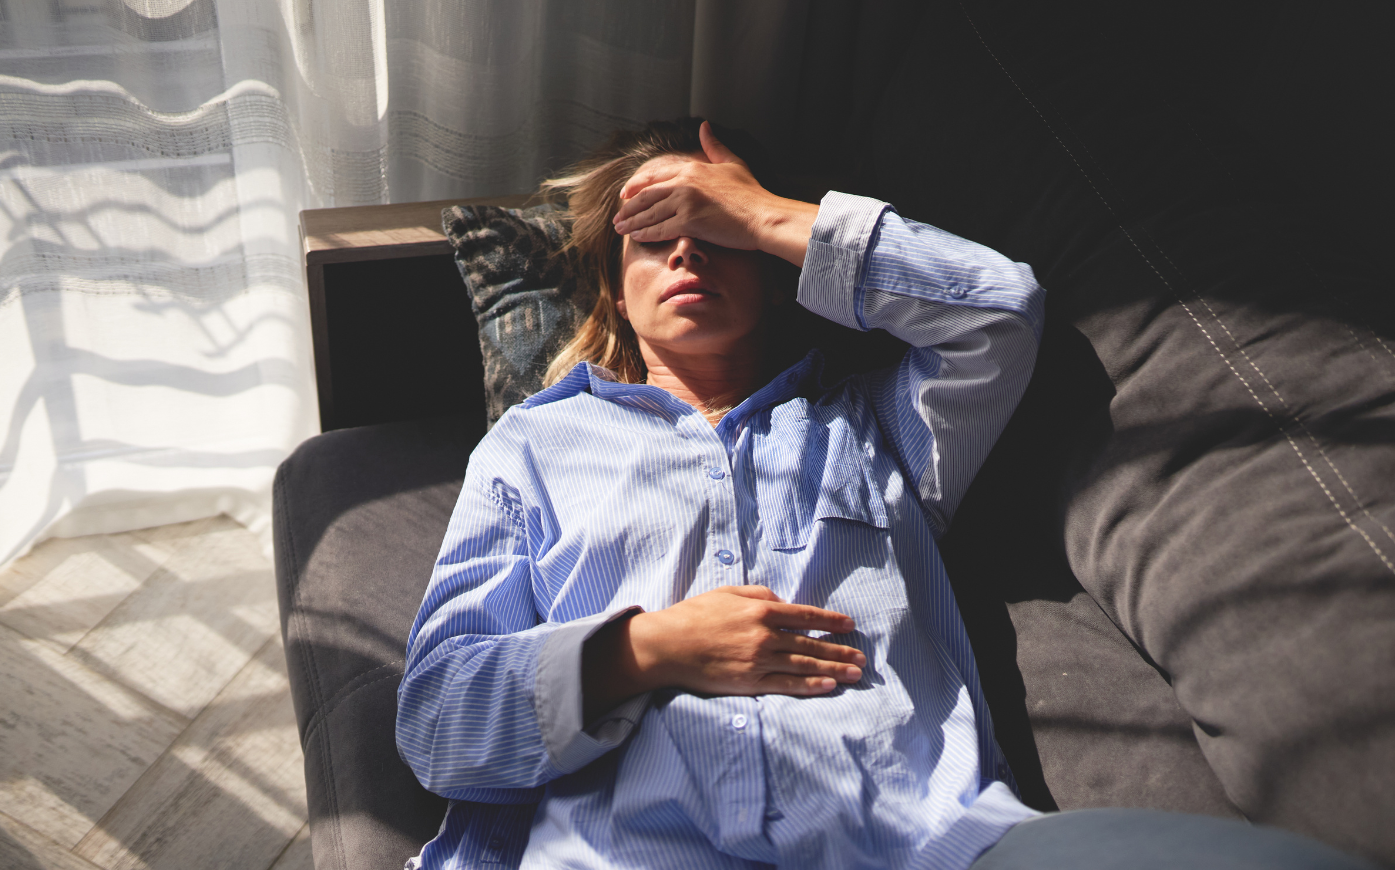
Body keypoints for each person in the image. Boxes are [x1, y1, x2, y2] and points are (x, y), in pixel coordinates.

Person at [394, 119, 1375, 870]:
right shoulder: (532, 449)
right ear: (614, 290)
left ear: (778, 274)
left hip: (923, 846)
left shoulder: (875, 425)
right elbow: (439, 719)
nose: (686, 254)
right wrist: (647, 651)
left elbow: (999, 316)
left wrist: (769, 215)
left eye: (711, 233)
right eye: (653, 239)